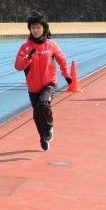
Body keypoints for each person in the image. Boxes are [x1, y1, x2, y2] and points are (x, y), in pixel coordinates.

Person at [14, 11, 72, 151]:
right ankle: (42, 136)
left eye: (38, 27)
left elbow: (62, 60)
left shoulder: (51, 45)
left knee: (43, 103)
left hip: (49, 82)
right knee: (37, 114)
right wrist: (27, 58)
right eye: (33, 28)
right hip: (33, 87)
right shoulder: (25, 47)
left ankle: (49, 128)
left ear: (44, 28)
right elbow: (18, 66)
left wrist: (67, 75)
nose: (35, 30)